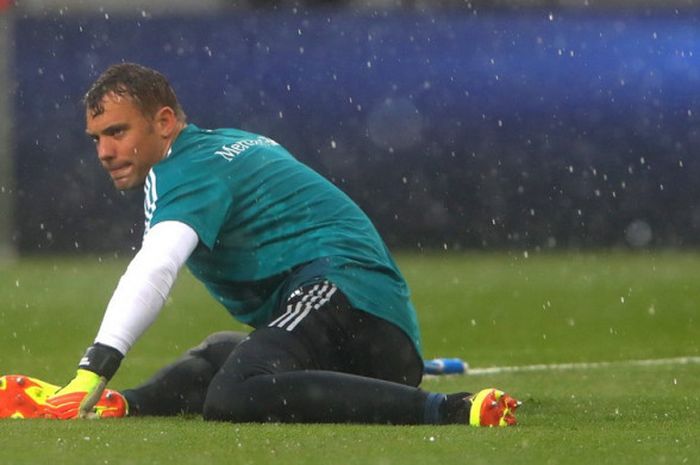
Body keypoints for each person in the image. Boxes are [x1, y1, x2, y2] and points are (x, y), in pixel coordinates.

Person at [0, 63, 519, 426]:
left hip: (340, 290)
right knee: (219, 355)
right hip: (367, 323)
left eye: (116, 131)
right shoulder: (227, 143)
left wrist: (92, 365)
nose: (105, 152)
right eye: (96, 138)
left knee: (234, 392)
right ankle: (118, 405)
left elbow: (156, 266)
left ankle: (449, 410)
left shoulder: (184, 170)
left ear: (163, 122)